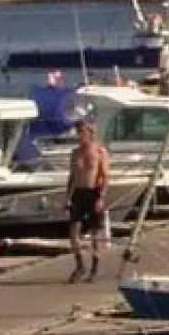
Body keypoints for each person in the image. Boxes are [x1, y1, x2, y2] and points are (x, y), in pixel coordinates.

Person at [67, 120, 111, 283]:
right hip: (79, 193)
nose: (79, 136)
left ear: (90, 133)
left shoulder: (100, 151)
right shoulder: (75, 153)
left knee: (95, 234)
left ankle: (95, 268)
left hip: (94, 192)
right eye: (77, 132)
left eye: (82, 132)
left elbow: (106, 176)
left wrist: (101, 197)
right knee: (73, 232)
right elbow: (72, 177)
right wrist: (67, 198)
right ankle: (80, 265)